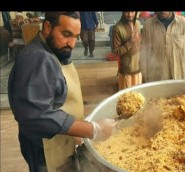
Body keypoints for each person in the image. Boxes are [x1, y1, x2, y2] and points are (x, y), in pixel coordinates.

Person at [7, 11, 117, 172]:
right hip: (45, 150)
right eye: (66, 34)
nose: (72, 43)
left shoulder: (53, 50)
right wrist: (93, 129)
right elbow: (35, 115)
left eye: (76, 37)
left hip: (59, 141)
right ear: (47, 27)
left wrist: (77, 127)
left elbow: (56, 100)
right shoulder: (38, 58)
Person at [140, 11, 185, 82]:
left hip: (178, 79)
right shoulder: (148, 25)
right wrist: (144, 80)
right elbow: (144, 56)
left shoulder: (184, 24)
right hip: (155, 80)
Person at [112, 11, 142, 90]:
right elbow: (116, 51)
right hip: (126, 71)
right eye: (126, 12)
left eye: (132, 11)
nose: (130, 14)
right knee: (127, 98)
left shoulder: (137, 23)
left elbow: (139, 44)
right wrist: (130, 43)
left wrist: (140, 40)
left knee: (138, 95)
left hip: (138, 68)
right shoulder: (117, 28)